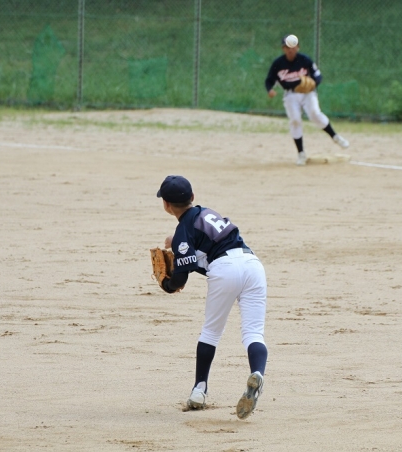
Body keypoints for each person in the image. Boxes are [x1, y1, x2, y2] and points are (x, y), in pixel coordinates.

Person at [156, 175, 268, 420]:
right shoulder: (206, 213)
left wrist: (167, 284)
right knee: (253, 332)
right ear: (193, 197)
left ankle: (199, 390)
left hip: (225, 270)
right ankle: (257, 373)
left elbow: (180, 280)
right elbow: (202, 246)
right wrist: (177, 243)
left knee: (211, 332)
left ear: (166, 205)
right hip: (252, 264)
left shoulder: (183, 231)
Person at [265, 34, 349, 166]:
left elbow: (318, 75)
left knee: (315, 114)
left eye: (293, 47)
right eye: (287, 47)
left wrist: (314, 83)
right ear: (283, 49)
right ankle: (301, 154)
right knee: (295, 120)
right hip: (290, 94)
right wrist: (270, 90)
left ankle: (335, 137)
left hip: (307, 93)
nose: (290, 50)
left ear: (298, 47)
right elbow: (269, 80)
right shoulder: (278, 63)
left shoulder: (305, 60)